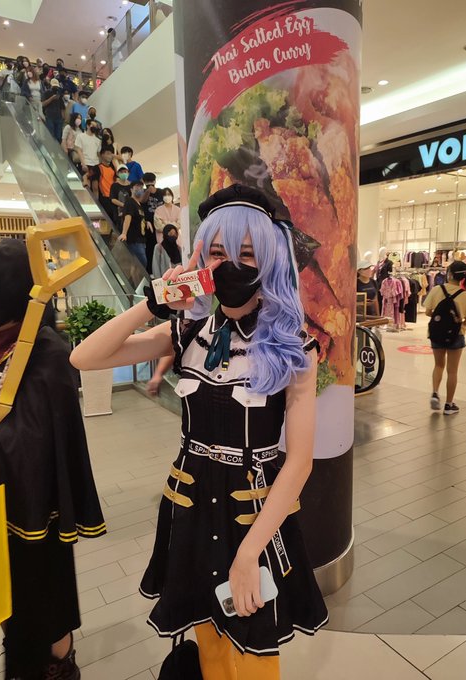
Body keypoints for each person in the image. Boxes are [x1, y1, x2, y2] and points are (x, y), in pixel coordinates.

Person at [70, 185, 328, 680]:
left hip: (252, 515)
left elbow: (299, 462)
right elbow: (84, 358)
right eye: (217, 254)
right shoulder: (186, 333)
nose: (230, 266)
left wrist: (249, 553)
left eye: (246, 254)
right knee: (208, 639)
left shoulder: (294, 347)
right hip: (190, 506)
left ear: (269, 261)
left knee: (254, 654)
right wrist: (156, 301)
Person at [0, 240, 105, 680]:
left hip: (36, 503)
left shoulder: (48, 352)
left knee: (45, 591)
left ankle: (57, 665)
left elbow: (41, 438)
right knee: (2, 591)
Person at [425, 260, 466, 415]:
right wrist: (456, 321)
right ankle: (449, 405)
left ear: (449, 274)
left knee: (438, 365)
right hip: (456, 335)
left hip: (436, 333)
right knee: (452, 371)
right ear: (463, 277)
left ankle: (435, 393)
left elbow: (428, 312)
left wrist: (442, 319)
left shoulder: (436, 289)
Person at [118, 180, 149, 267]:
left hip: (141, 239)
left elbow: (139, 219)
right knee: (142, 263)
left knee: (136, 265)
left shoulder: (139, 204)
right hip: (134, 239)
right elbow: (128, 217)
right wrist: (124, 233)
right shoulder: (130, 202)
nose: (139, 189)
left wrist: (147, 222)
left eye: (141, 187)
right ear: (131, 189)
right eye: (137, 187)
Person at [74, 118, 102, 191]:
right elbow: (79, 150)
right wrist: (83, 163)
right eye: (93, 125)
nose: (94, 127)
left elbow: (98, 154)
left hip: (95, 164)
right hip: (86, 163)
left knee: (95, 188)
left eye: (95, 126)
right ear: (88, 126)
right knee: (87, 187)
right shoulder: (80, 136)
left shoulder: (98, 140)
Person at [96, 145, 117, 219]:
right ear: (102, 155)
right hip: (104, 198)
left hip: (113, 198)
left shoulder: (113, 169)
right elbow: (95, 187)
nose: (110, 156)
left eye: (111, 154)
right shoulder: (97, 167)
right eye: (108, 153)